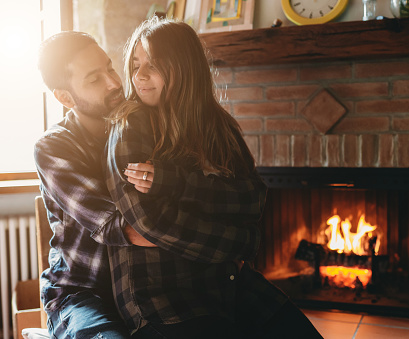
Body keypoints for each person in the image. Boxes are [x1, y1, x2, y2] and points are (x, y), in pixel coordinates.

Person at [104, 17, 323, 338]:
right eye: (136, 65)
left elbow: (252, 197)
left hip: (225, 283)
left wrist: (175, 183)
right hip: (162, 292)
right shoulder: (129, 124)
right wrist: (242, 242)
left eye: (154, 65)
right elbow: (150, 220)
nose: (139, 76)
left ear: (184, 67)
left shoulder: (217, 125)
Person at [35, 31, 135, 338]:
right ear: (65, 97)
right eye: (94, 79)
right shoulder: (53, 147)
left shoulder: (137, 126)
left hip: (143, 286)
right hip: (82, 293)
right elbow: (116, 227)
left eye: (110, 68)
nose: (114, 83)